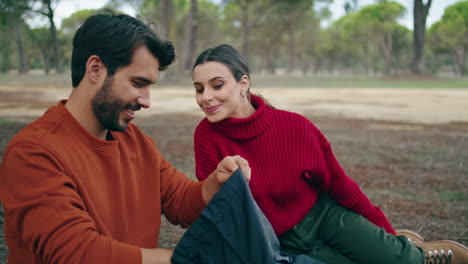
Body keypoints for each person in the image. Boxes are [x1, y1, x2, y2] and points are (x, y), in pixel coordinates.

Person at [0, 11, 251, 264]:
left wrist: (216, 184)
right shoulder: (32, 153)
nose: (146, 101)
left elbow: (180, 200)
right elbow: (78, 254)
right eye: (138, 83)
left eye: (149, 86)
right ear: (95, 69)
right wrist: (182, 260)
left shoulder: (133, 140)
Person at [191, 44, 468, 264]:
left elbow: (339, 184)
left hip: (325, 217)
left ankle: (410, 251)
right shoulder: (206, 137)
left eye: (217, 85)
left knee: (401, 260)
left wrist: (385, 233)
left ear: (243, 84)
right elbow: (216, 210)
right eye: (199, 89)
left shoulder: (294, 126)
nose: (206, 97)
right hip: (279, 242)